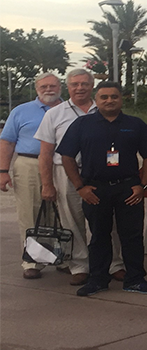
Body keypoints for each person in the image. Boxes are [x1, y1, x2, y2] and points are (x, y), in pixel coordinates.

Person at [56, 81, 147, 296]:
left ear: (121, 99)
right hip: (95, 190)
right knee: (99, 236)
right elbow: (66, 156)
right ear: (97, 100)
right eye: (104, 97)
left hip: (129, 189)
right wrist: (80, 187)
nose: (109, 100)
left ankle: (135, 279)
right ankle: (98, 279)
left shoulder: (135, 124)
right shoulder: (82, 124)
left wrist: (143, 185)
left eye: (114, 96)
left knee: (132, 236)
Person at [36, 70, 127, 286]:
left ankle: (114, 263)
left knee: (109, 221)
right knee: (73, 220)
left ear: (92, 85)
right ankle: (80, 265)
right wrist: (47, 184)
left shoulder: (105, 107)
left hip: (101, 174)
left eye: (85, 84)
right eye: (75, 84)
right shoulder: (55, 114)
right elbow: (46, 152)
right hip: (67, 173)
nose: (80, 88)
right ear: (68, 86)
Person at [0, 72, 63, 280]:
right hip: (29, 164)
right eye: (44, 87)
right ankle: (32, 260)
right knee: (31, 212)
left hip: (62, 165)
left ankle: (64, 257)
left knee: (63, 213)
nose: (48, 90)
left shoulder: (69, 110)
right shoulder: (21, 112)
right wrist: (3, 172)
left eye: (52, 86)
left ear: (60, 87)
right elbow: (7, 142)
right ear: (37, 89)